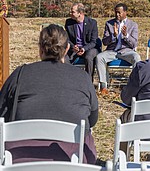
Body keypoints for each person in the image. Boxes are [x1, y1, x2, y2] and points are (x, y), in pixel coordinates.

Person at [0, 24, 98, 164]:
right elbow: (93, 119)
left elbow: (2, 111)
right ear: (67, 49)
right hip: (72, 159)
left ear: (40, 48)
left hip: (21, 159)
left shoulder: (20, 74)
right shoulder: (82, 77)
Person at [96, 3, 141, 95]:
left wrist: (126, 35)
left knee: (136, 57)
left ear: (125, 12)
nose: (117, 15)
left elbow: (134, 43)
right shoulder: (109, 24)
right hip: (112, 51)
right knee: (99, 57)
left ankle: (134, 85)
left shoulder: (133, 25)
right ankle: (104, 86)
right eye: (116, 12)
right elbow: (105, 42)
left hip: (126, 51)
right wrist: (114, 35)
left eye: (119, 12)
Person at [65, 3, 99, 81]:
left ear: (80, 13)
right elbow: (67, 39)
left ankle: (88, 81)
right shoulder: (69, 23)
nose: (70, 13)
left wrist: (84, 48)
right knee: (64, 57)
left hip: (89, 48)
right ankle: (69, 80)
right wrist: (73, 46)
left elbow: (94, 42)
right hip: (74, 48)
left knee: (89, 57)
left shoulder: (92, 23)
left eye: (73, 12)